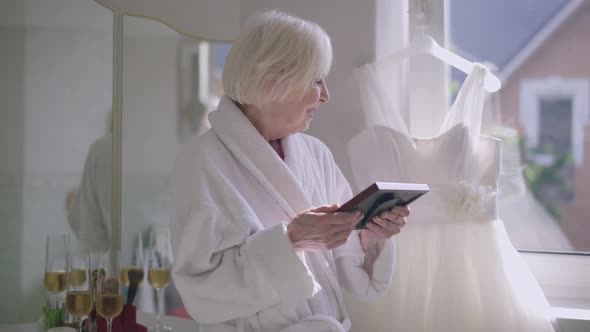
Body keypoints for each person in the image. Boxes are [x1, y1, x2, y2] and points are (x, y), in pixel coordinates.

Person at [170, 10, 410, 332]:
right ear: (275, 81)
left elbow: (344, 269)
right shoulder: (202, 162)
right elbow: (200, 290)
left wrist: (369, 232)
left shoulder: (315, 154)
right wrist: (292, 240)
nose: (325, 95)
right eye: (316, 80)